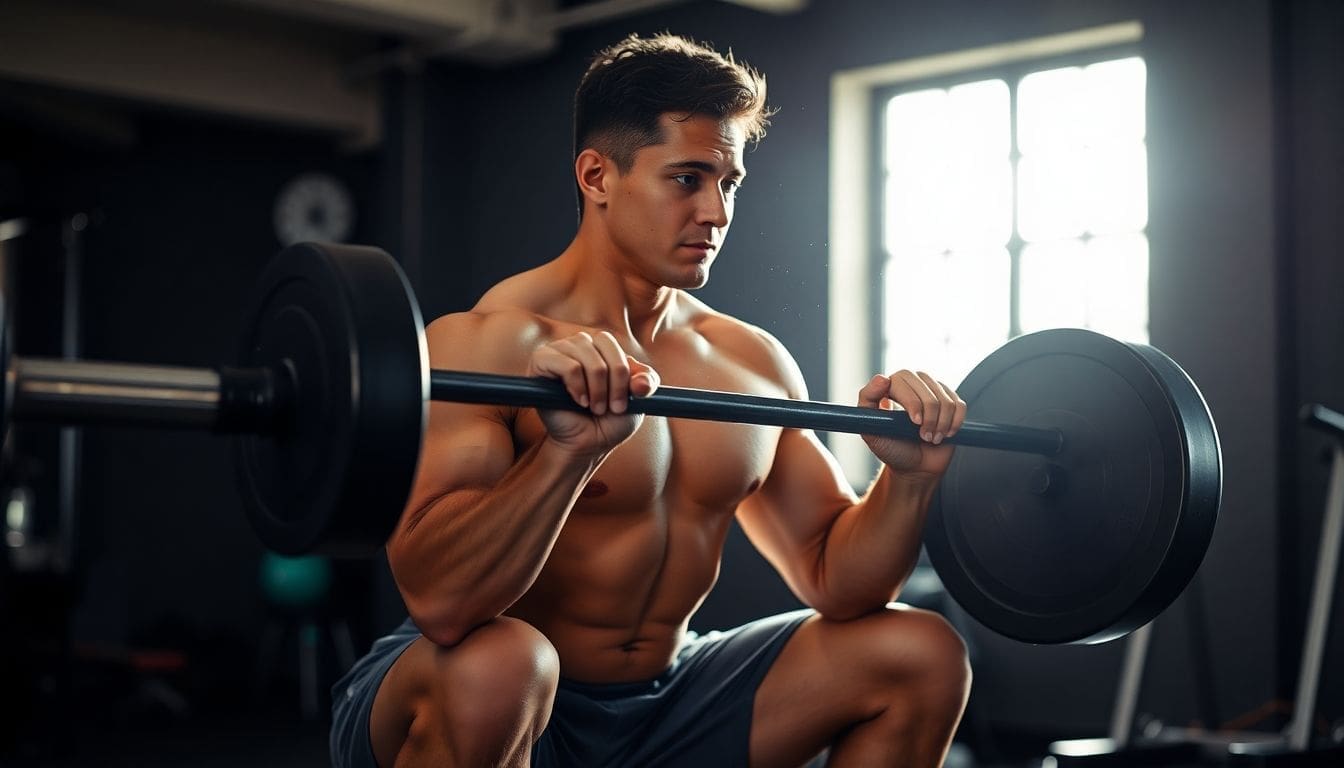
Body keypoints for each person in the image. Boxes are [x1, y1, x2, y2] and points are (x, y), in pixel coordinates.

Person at [331, 32, 970, 768]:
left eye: (728, 182)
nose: (718, 212)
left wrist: (909, 480)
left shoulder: (747, 362)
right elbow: (441, 605)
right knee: (502, 663)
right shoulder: (485, 345)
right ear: (598, 176)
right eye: (687, 179)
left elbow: (835, 577)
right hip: (496, 700)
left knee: (919, 651)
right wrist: (568, 456)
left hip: (670, 702)